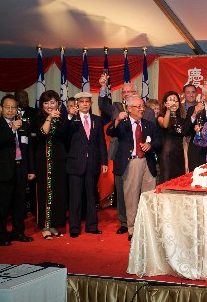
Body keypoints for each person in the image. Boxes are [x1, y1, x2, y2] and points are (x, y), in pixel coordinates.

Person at [98, 74, 155, 235]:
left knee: (143, 192)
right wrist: (103, 87)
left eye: (130, 92)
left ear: (136, 93)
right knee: (124, 192)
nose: (126, 94)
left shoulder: (146, 111)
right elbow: (103, 105)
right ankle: (125, 222)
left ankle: (143, 225)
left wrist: (149, 145)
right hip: (121, 155)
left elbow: (153, 132)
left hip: (143, 157)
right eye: (124, 92)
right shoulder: (116, 107)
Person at [106, 95, 161, 241]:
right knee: (131, 198)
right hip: (131, 163)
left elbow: (158, 141)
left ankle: (148, 228)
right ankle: (132, 229)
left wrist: (150, 145)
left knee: (149, 197)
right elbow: (110, 131)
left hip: (147, 163)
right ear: (129, 109)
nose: (142, 109)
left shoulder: (149, 124)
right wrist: (117, 120)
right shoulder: (122, 124)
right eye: (138, 107)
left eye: (143, 106)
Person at [64, 92, 108, 238]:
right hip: (75, 164)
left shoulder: (97, 120)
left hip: (92, 164)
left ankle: (92, 225)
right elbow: (64, 135)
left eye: (87, 101)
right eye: (81, 102)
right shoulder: (71, 120)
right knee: (75, 198)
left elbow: (101, 142)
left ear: (91, 103)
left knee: (91, 196)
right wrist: (70, 117)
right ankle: (74, 227)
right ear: (77, 104)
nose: (84, 104)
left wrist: (104, 162)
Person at [0, 95, 35, 246]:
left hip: (21, 169)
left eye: (14, 107)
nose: (11, 110)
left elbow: (28, 148)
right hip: (3, 170)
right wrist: (11, 129)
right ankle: (2, 234)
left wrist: (31, 169)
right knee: (3, 205)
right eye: (7, 107)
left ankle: (18, 232)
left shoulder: (23, 125)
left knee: (20, 204)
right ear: (1, 108)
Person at [35, 90, 68, 239]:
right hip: (44, 161)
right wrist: (49, 117)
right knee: (45, 192)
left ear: (57, 103)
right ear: (42, 105)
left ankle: (54, 224)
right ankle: (45, 226)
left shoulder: (62, 118)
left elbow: (66, 137)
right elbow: (42, 134)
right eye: (46, 103)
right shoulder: (38, 118)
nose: (50, 105)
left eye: (52, 102)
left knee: (58, 193)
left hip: (59, 161)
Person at [157, 91, 189, 183]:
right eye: (171, 100)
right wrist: (168, 111)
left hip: (179, 155)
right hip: (167, 155)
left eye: (176, 100)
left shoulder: (182, 120)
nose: (174, 103)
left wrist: (186, 162)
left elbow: (184, 142)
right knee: (167, 182)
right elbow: (165, 125)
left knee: (179, 183)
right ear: (165, 104)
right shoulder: (161, 117)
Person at [185, 83, 207, 171]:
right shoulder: (194, 109)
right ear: (203, 96)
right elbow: (186, 131)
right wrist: (194, 114)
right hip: (197, 155)